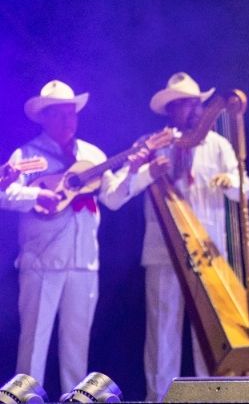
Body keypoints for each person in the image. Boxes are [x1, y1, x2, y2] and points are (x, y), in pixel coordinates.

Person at [0, 80, 148, 391]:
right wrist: (36, 197)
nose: (70, 120)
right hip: (41, 261)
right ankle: (23, 399)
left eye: (73, 114)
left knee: (76, 351)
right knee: (33, 346)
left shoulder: (92, 154)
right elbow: (3, 193)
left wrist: (134, 171)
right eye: (61, 114)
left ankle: (75, 399)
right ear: (44, 117)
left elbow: (113, 198)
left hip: (84, 263)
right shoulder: (27, 154)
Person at [139, 72, 249, 401]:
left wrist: (230, 183)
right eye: (184, 105)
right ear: (170, 110)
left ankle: (211, 399)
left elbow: (246, 187)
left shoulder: (218, 145)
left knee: (211, 337)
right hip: (165, 252)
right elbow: (126, 186)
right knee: (162, 336)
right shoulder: (155, 144)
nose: (192, 110)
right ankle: (159, 399)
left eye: (196, 104)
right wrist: (146, 167)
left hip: (209, 255)